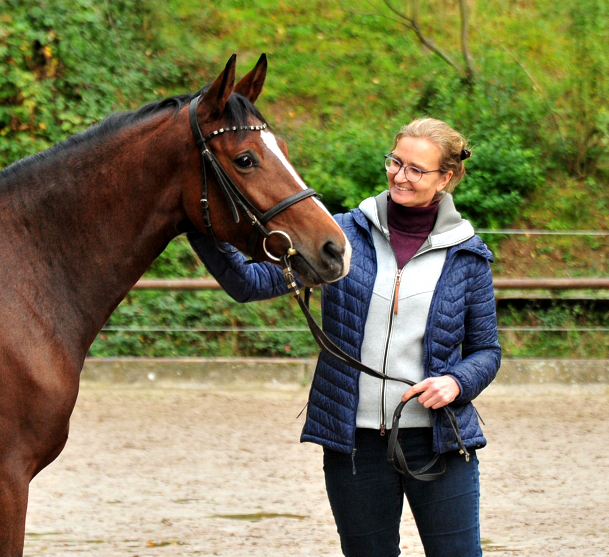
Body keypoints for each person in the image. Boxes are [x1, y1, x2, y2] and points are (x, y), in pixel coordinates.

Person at [187, 117, 501, 557]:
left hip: (439, 441)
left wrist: (456, 382)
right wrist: (201, 225)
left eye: (416, 169)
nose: (400, 176)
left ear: (445, 178)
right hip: (354, 443)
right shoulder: (341, 236)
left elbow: (486, 351)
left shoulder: (467, 255)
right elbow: (251, 283)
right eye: (395, 161)